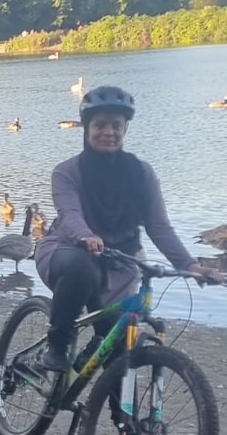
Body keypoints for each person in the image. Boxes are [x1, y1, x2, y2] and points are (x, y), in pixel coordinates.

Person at [35, 86, 222, 379]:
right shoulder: (67, 172)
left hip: (120, 261)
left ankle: (122, 421)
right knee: (82, 267)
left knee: (118, 355)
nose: (108, 132)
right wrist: (86, 236)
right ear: (86, 127)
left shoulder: (142, 173)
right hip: (66, 252)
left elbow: (158, 227)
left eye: (116, 125)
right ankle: (57, 346)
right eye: (100, 125)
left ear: (125, 129)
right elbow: (70, 215)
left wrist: (190, 265)